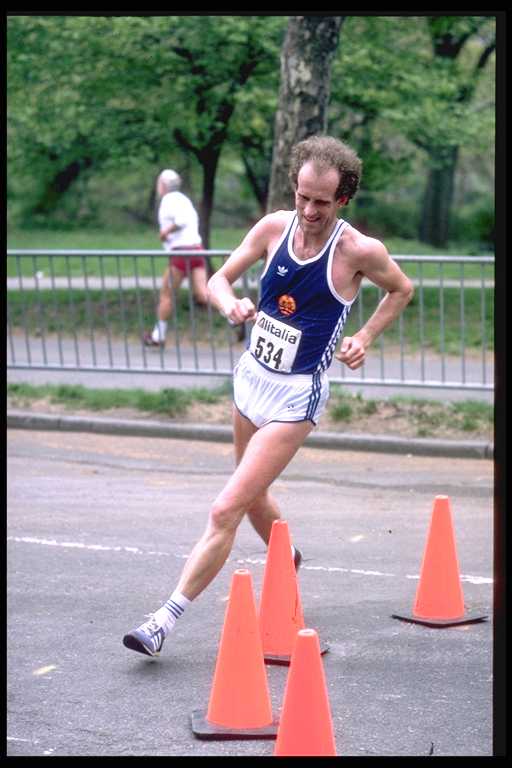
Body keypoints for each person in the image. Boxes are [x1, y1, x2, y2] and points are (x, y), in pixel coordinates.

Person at [124, 135, 414, 656]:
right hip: (250, 379)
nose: (309, 209)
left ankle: (163, 620)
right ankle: (288, 556)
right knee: (251, 494)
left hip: (294, 399)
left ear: (343, 199)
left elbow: (402, 288)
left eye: (321, 201)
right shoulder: (273, 227)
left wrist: (364, 337)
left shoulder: (358, 251)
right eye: (303, 196)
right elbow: (217, 279)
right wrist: (228, 303)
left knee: (225, 507)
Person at [143, 169, 208, 347]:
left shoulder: (168, 200)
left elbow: (181, 221)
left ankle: (158, 336)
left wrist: (165, 232)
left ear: (163, 185)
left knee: (167, 295)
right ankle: (235, 316)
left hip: (181, 253)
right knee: (203, 294)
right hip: (197, 249)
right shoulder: (183, 199)